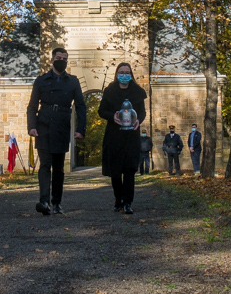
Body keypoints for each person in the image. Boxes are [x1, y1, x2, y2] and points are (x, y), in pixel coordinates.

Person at [27, 47, 85, 216]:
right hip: (43, 126)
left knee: (59, 168)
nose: (62, 60)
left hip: (61, 126)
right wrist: (32, 126)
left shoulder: (73, 81)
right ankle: (44, 201)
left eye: (65, 58)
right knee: (45, 165)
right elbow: (31, 107)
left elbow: (81, 106)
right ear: (52, 60)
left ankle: (57, 202)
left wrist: (80, 129)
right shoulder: (41, 81)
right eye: (59, 57)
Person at [99, 62, 146, 214]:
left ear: (131, 74)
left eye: (127, 72)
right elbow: (101, 111)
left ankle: (127, 203)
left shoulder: (138, 91)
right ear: (117, 74)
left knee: (129, 171)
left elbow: (142, 112)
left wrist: (139, 120)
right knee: (116, 171)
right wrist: (112, 116)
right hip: (114, 136)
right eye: (121, 72)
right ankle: (118, 200)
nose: (124, 75)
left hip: (131, 136)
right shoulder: (109, 91)